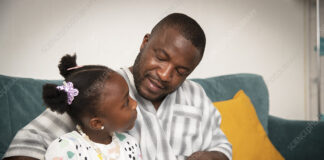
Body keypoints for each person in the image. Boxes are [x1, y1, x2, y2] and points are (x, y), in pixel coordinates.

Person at [4, 13, 232, 160]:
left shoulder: (196, 95)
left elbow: (221, 145)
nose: (164, 75)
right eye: (161, 57)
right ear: (145, 42)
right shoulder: (104, 88)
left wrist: (213, 156)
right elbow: (27, 145)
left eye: (181, 72)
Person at [43, 54, 141, 160]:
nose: (135, 103)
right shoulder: (64, 149)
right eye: (126, 102)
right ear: (97, 123)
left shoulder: (130, 144)